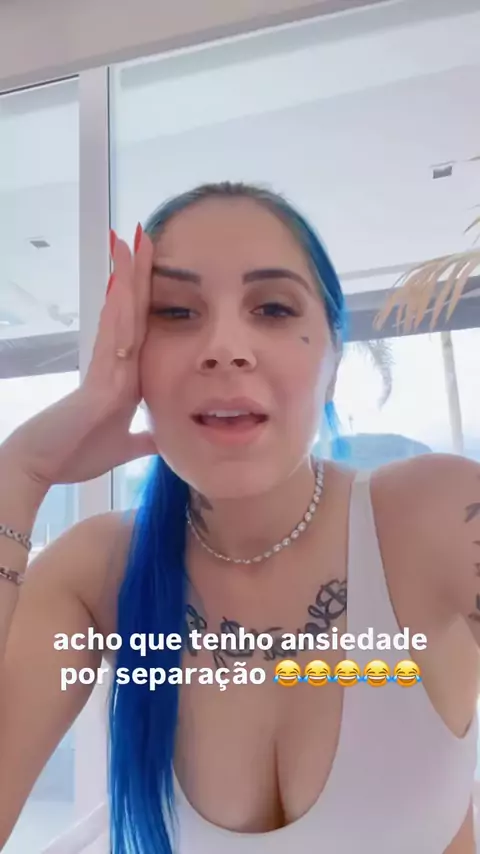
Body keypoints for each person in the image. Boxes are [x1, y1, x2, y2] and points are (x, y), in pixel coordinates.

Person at [0, 181, 479, 854]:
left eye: (274, 308)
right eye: (175, 312)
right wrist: (19, 472)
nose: (225, 347)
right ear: (130, 360)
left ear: (333, 358)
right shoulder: (96, 574)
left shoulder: (437, 520)